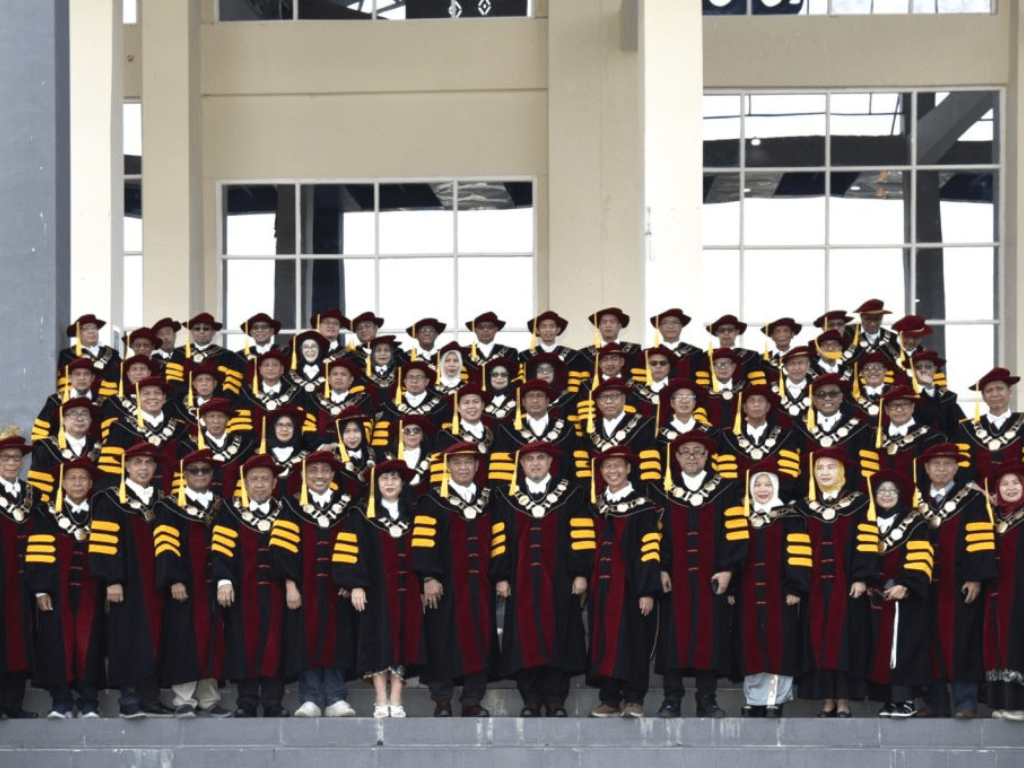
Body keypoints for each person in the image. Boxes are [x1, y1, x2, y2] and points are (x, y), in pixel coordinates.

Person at [650, 432, 747, 718]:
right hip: (675, 577)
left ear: (707, 456)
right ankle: (671, 699)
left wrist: (728, 569)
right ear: (676, 458)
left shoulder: (725, 489)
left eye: (698, 452)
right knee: (673, 636)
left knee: (710, 635)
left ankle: (707, 700)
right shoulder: (662, 490)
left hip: (711, 576)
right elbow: (654, 533)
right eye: (685, 452)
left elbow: (735, 532)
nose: (692, 457)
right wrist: (660, 567)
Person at [491, 442, 591, 717]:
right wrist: (501, 576)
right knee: (525, 637)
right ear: (521, 465)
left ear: (550, 462)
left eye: (540, 458)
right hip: (520, 579)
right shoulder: (507, 496)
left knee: (559, 633)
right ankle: (531, 699)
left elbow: (581, 535)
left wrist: (581, 572)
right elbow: (501, 537)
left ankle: (556, 699)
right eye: (529, 459)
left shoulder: (571, 494)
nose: (535, 463)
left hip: (560, 579)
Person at [88, 440, 173, 718]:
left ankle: (150, 697)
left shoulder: (162, 500)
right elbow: (103, 544)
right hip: (126, 582)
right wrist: (112, 579)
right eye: (137, 463)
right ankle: (129, 698)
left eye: (149, 463)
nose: (143, 468)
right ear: (126, 466)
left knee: (155, 635)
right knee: (126, 635)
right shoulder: (110, 499)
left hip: (156, 582)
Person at [334, 460, 425, 718]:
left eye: (395, 478)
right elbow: (351, 550)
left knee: (404, 640)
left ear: (402, 484)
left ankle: (396, 699)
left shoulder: (414, 514)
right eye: (384, 478)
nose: (389, 483)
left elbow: (424, 552)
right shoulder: (361, 514)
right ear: (375, 484)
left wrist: (425, 581)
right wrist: (355, 584)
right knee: (377, 640)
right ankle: (380, 699)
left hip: (408, 589)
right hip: (375, 592)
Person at [274, 451, 361, 718]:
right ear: (303, 475)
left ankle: (335, 697)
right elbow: (283, 549)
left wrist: (350, 580)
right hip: (305, 585)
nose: (319, 476)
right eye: (313, 471)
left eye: (325, 470)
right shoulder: (291, 506)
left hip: (337, 587)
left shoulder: (347, 506)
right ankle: (310, 697)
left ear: (333, 474)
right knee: (306, 638)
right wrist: (290, 585)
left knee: (337, 638)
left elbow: (357, 544)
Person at [413, 442, 496, 717]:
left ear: (477, 465)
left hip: (480, 583)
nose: (463, 467)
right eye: (457, 463)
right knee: (441, 637)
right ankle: (442, 700)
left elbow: (499, 539)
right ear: (447, 467)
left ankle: (472, 699)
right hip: (444, 584)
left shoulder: (489, 500)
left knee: (479, 637)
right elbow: (423, 542)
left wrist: (500, 575)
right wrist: (428, 577)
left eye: (468, 462)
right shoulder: (432, 500)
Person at [794, 448, 878, 717]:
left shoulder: (860, 503)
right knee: (818, 640)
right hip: (815, 587)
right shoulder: (804, 507)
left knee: (844, 641)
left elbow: (867, 542)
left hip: (847, 585)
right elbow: (797, 547)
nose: (824, 472)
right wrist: (799, 582)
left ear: (841, 472)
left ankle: (844, 699)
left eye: (831, 467)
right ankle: (827, 698)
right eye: (819, 468)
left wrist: (861, 577)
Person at [916, 443, 997, 719]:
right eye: (936, 464)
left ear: (956, 468)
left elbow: (981, 539)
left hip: (958, 583)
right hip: (924, 583)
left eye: (947, 464)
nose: (941, 469)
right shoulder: (916, 500)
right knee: (927, 640)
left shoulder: (972, 499)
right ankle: (935, 703)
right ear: (927, 469)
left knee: (964, 640)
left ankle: (965, 702)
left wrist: (975, 578)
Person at [152, 449, 231, 718]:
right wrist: (174, 579)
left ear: (212, 474)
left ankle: (209, 700)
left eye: (205, 470)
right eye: (194, 470)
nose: (199, 475)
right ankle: (183, 700)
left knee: (213, 638)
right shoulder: (170, 505)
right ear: (184, 474)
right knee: (183, 640)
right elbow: (165, 545)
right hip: (185, 585)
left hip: (212, 585)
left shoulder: (222, 506)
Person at [26, 457, 106, 719]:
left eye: (83, 478)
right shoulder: (46, 513)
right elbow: (38, 553)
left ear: (91, 483)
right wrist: (40, 590)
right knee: (56, 642)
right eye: (72, 478)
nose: (78, 483)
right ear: (62, 483)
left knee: (89, 643)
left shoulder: (101, 512)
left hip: (91, 591)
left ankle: (89, 701)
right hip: (56, 592)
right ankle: (60, 701)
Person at [213, 454, 292, 717]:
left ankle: (272, 702)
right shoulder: (230, 510)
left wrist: (291, 584)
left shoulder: (286, 510)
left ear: (274, 483)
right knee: (243, 641)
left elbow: (293, 553)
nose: (259, 484)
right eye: (254, 479)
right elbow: (221, 550)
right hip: (242, 590)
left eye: (265, 479)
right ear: (245, 483)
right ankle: (246, 701)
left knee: (275, 642)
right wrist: (224, 581)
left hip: (276, 590)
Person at [587, 446, 662, 718]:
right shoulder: (595, 506)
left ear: (629, 469)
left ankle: (634, 698)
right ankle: (609, 699)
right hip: (601, 587)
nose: (613, 471)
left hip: (631, 587)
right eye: (607, 466)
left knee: (634, 640)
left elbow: (650, 550)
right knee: (604, 640)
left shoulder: (643, 507)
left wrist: (647, 591)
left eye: (618, 465)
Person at [734, 459, 810, 718]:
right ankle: (753, 698)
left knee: (779, 642)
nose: (763, 489)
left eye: (768, 484)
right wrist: (731, 590)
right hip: (748, 590)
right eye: (758, 485)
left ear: (776, 487)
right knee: (751, 641)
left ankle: (774, 699)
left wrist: (795, 587)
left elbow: (798, 553)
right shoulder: (742, 516)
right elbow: (732, 554)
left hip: (780, 591)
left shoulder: (790, 517)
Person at [866, 469, 933, 719]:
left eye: (892, 491)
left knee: (903, 648)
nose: (886, 495)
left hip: (905, 597)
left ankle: (906, 701)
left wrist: (906, 585)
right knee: (880, 648)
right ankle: (888, 701)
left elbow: (920, 556)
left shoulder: (914, 522)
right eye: (881, 491)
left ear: (900, 494)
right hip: (877, 596)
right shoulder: (868, 521)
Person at [0, 429, 38, 718]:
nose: (12, 463)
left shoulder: (31, 494)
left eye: (16, 458)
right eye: (5, 458)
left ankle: (14, 703)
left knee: (20, 638)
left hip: (24, 577)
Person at [984, 462, 1024, 722]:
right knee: (999, 641)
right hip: (999, 591)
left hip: (1020, 590)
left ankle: (1020, 705)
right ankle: (1005, 701)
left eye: (1016, 483)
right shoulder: (995, 518)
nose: (1011, 488)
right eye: (1004, 484)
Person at [954, 367, 1023, 483]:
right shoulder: (966, 428)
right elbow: (961, 468)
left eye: (999, 388)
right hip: (978, 492)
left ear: (1010, 392)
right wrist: (978, 490)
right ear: (984, 396)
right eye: (989, 390)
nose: (995, 394)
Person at [28, 398, 102, 504]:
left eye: (85, 414)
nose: (80, 418)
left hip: (93, 510)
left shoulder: (99, 449)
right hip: (54, 510)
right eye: (73, 414)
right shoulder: (46, 448)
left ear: (90, 420)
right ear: (63, 420)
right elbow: (38, 490)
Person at [165, 312, 246, 398]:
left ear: (213, 332)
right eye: (197, 329)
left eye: (206, 329)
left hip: (218, 401)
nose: (201, 332)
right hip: (185, 401)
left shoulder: (227, 356)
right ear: (192, 332)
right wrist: (191, 397)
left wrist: (216, 400)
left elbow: (231, 385)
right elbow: (173, 381)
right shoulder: (179, 353)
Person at [58, 314, 121, 391]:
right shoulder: (68, 354)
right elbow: (64, 381)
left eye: (94, 328)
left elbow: (121, 377)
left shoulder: (112, 354)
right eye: (85, 328)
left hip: (109, 396)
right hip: (80, 396)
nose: (91, 331)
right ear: (78, 333)